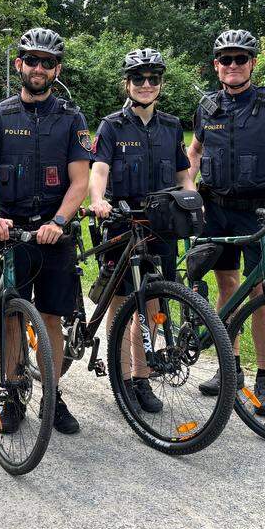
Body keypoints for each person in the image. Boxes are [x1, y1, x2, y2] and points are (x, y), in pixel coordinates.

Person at [0, 27, 91, 435]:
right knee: (10, 317)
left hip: (54, 233)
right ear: (18, 64)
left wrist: (59, 222)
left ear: (56, 69)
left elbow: (80, 180)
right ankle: (13, 391)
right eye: (31, 60)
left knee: (52, 318)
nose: (38, 68)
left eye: (47, 62)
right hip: (11, 232)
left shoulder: (72, 119)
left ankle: (52, 396)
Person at [186, 29, 265, 416]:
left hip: (260, 210)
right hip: (217, 210)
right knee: (227, 284)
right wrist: (188, 191)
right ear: (216, 66)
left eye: (241, 58)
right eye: (226, 59)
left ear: (253, 63)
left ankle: (264, 377)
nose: (233, 65)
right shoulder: (208, 107)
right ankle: (231, 369)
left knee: (260, 292)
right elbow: (194, 152)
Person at [87, 48, 193, 414]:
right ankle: (121, 376)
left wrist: (193, 200)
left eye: (153, 79)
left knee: (149, 303)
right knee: (120, 305)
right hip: (121, 221)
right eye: (138, 79)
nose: (146, 85)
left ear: (161, 84)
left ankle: (141, 378)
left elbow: (183, 173)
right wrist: (99, 200)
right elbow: (98, 169)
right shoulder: (111, 126)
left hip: (161, 224)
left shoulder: (171, 126)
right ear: (127, 84)